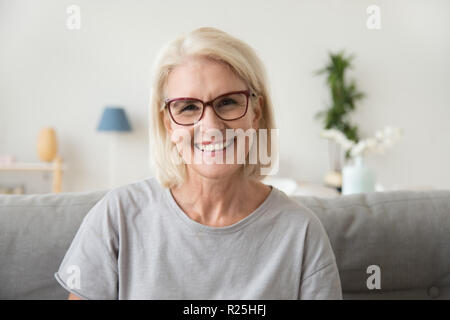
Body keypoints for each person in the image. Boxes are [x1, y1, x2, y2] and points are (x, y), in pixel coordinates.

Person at [54, 27, 342, 300]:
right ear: (168, 123)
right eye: (189, 107)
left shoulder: (301, 232)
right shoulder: (116, 216)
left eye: (227, 102)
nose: (212, 126)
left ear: (255, 112)